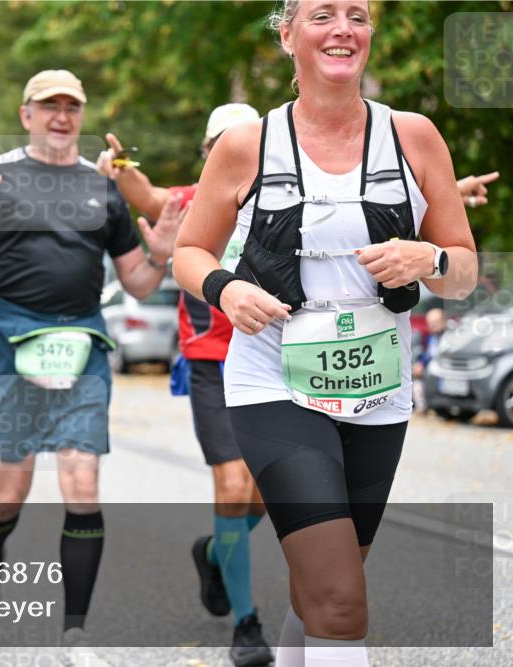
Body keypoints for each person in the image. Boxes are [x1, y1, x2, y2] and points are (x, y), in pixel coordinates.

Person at [173, 2, 478, 666]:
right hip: (273, 378)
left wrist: (431, 259)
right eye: (321, 15)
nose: (343, 29)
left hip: (378, 386)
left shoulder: (416, 136)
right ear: (287, 35)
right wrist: (229, 289)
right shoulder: (247, 143)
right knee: (342, 596)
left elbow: (464, 266)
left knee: (323, 592)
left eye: (357, 15)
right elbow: (189, 252)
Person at [0, 69, 180, 659]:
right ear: (26, 115)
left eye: (72, 107)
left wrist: (161, 256)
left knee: (81, 479)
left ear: (81, 117)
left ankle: (76, 631)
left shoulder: (104, 189)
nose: (61, 116)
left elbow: (138, 285)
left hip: (82, 340)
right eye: (49, 106)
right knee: (10, 488)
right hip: (9, 340)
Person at [98, 103, 274, 667]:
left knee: (269, 494)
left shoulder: (286, 202)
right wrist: (118, 160)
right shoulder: (189, 200)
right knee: (231, 483)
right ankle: (247, 625)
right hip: (211, 364)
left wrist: (441, 194)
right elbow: (142, 192)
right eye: (222, 144)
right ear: (208, 154)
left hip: (275, 361)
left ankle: (218, 553)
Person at [412, 307, 446, 414]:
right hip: (431, 371)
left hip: (443, 371)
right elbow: (428, 354)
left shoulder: (449, 337)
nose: (433, 325)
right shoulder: (431, 338)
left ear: (444, 321)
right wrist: (420, 364)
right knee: (416, 382)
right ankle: (422, 408)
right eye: (430, 323)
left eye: (436, 322)